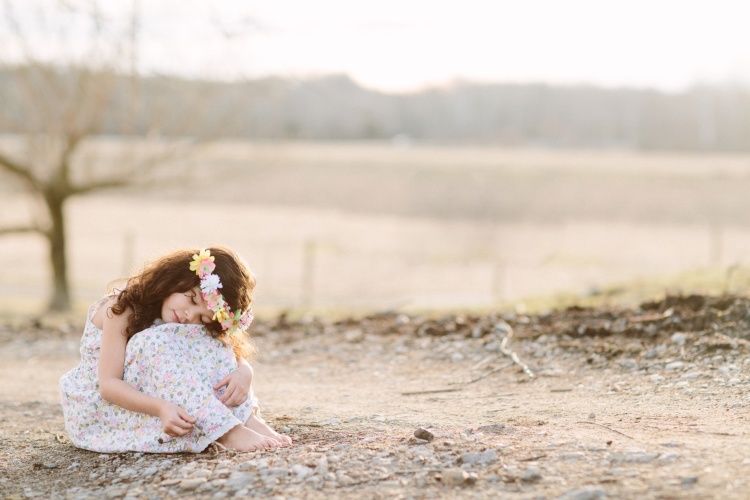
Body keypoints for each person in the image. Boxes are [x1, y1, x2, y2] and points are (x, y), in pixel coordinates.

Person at [60, 247, 292, 453]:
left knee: (208, 339)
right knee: (151, 341)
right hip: (105, 408)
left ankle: (246, 419)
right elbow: (108, 386)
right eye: (191, 299)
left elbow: (222, 348)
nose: (190, 315)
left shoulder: (186, 321)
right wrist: (162, 408)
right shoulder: (121, 309)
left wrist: (245, 371)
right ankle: (226, 431)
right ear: (176, 279)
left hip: (150, 390)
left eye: (203, 316)